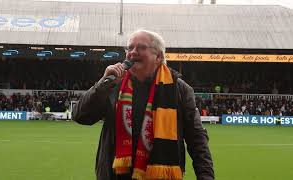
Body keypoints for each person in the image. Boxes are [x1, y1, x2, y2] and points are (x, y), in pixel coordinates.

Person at [72, 29, 214, 180]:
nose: (133, 52)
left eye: (141, 47)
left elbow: (197, 140)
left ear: (158, 56)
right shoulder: (113, 85)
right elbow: (81, 116)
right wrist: (102, 83)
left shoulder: (179, 90)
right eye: (130, 48)